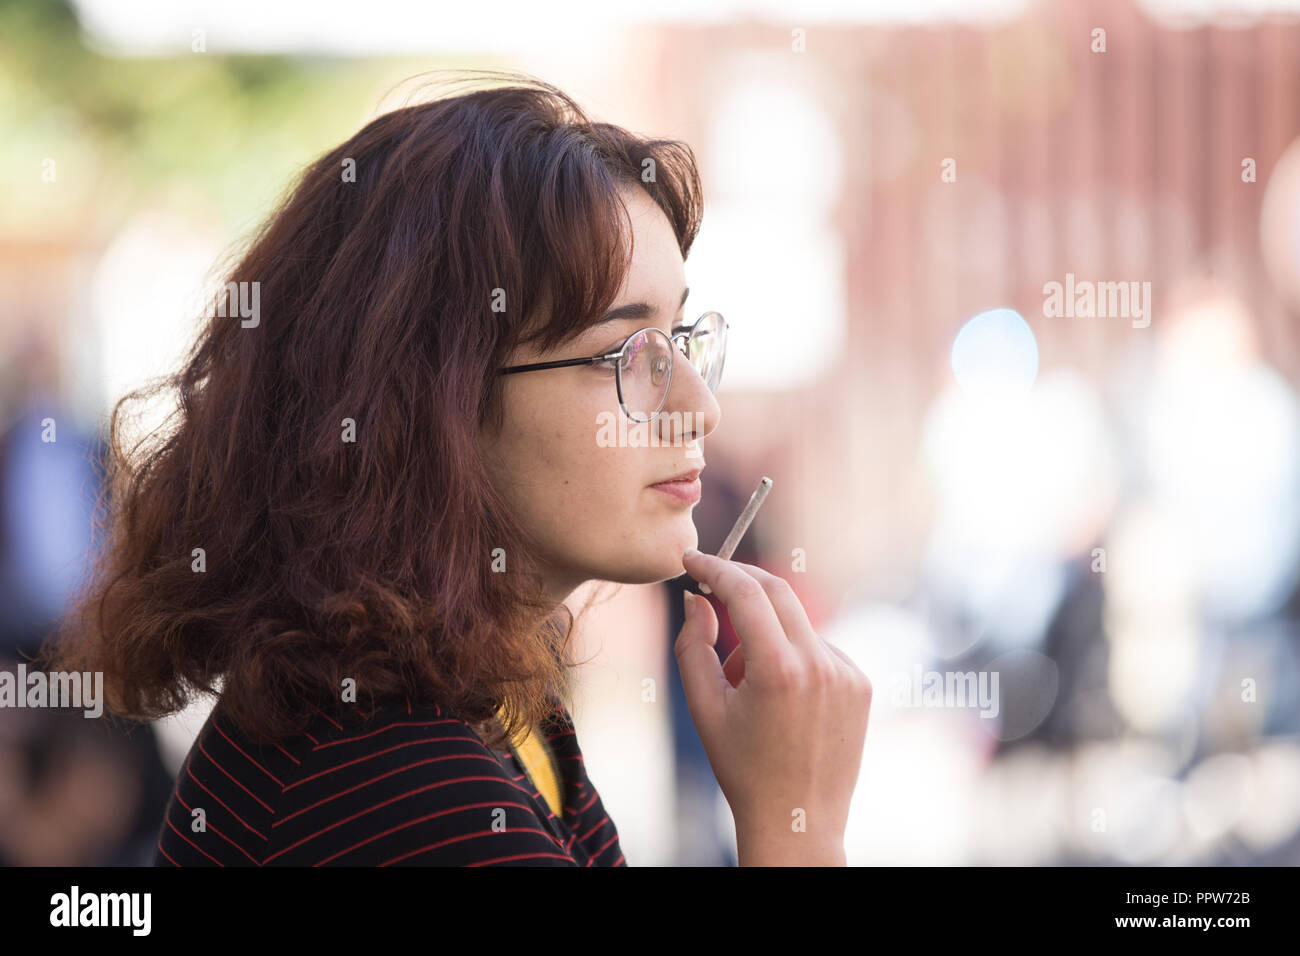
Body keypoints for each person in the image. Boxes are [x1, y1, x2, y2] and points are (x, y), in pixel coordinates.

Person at [38, 69, 871, 866]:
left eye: (683, 341)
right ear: (431, 405)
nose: (699, 406)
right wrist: (796, 826)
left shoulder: (486, 706)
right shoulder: (396, 789)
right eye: (625, 351)